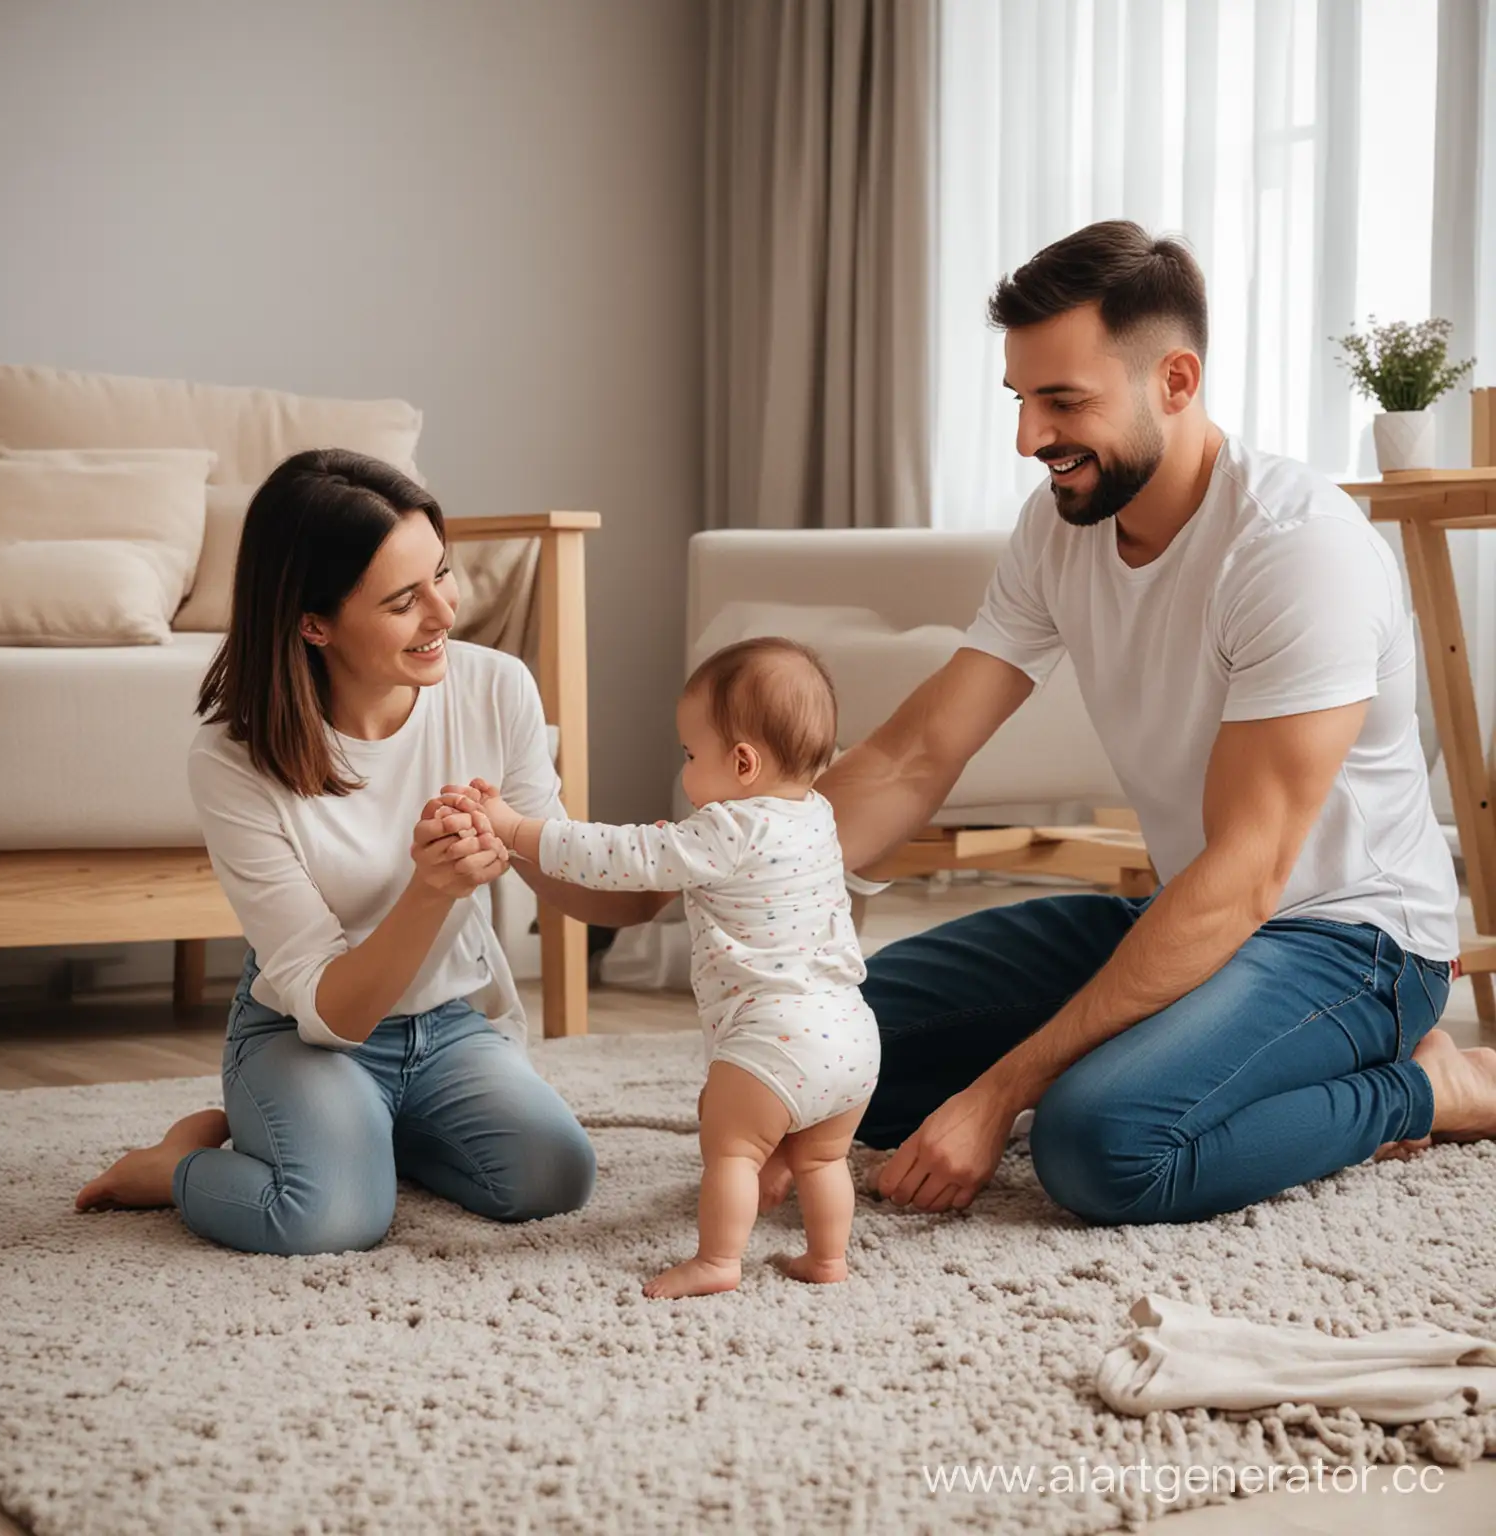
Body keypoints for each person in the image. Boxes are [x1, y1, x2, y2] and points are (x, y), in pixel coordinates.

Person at [766, 218, 1496, 1225]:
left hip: (1348, 941)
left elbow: (1247, 876)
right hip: (1186, 918)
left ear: (1177, 382)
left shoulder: (1295, 553)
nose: (1030, 439)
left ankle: (1424, 1088)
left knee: (1101, 1145)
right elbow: (915, 752)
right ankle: (1187, 1057)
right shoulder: (1060, 526)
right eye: (1021, 400)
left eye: (1064, 400)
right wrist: (742, 870)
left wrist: (1000, 1092)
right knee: (827, 1046)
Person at [75, 449, 598, 1255]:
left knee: (552, 1178)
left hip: (445, 1025)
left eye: (443, 574)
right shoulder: (234, 759)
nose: (444, 614)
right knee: (329, 1217)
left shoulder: (496, 687)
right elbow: (330, 1007)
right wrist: (431, 889)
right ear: (313, 623)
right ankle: (176, 1165)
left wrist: (685, 863)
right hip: (304, 1030)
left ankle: (368, 1138)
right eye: (402, 601)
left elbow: (565, 865)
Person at [464, 637, 880, 1298]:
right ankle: (828, 1259)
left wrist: (514, 828)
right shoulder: (817, 815)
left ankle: (718, 1260)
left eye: (691, 755)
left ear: (743, 763)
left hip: (775, 1037)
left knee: (731, 1151)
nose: (686, 769)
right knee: (824, 1158)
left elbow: (613, 855)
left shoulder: (726, 829)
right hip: (852, 1036)